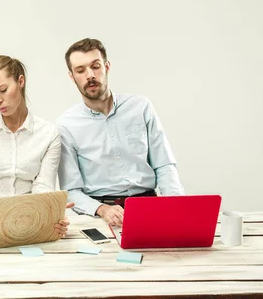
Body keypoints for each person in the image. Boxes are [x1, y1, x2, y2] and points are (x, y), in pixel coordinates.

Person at [57, 38, 184, 226]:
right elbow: (71, 191)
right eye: (80, 70)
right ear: (72, 76)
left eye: (96, 66)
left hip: (148, 204)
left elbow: (164, 165)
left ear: (107, 67)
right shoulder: (66, 125)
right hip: (100, 213)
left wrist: (176, 205)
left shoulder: (141, 107)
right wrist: (101, 210)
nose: (90, 75)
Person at [0, 55, 73, 237]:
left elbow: (43, 187)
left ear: (21, 81)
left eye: (3, 90)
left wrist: (49, 211)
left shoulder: (48, 133)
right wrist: (4, 211)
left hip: (29, 223)